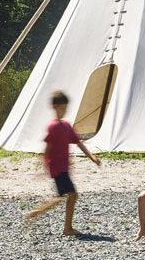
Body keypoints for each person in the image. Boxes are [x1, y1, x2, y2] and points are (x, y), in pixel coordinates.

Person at [23, 90, 101, 235]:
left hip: (63, 167)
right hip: (57, 168)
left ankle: (39, 214)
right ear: (54, 108)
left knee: (64, 196)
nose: (63, 111)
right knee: (71, 194)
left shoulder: (66, 126)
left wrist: (92, 158)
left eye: (65, 108)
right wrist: (44, 166)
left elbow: (78, 142)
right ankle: (64, 227)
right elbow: (47, 148)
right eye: (61, 108)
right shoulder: (54, 127)